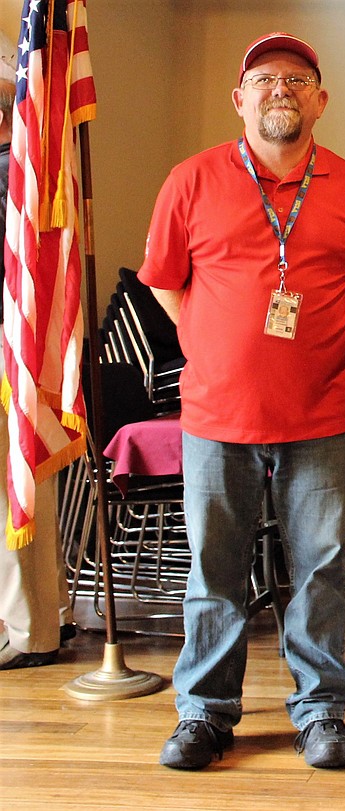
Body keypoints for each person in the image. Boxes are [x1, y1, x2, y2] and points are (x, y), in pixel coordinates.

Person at [139, 33, 345, 771]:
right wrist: (214, 340)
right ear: (239, 99)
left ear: (320, 100)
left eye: (298, 79)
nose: (281, 89)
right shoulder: (191, 178)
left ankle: (321, 711)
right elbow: (163, 278)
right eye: (265, 79)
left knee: (320, 567)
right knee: (214, 568)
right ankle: (205, 713)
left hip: (319, 411)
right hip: (217, 414)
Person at [0, 78, 78, 671]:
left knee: (15, 488)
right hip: (19, 349)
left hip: (14, 350)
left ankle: (27, 629)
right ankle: (39, 620)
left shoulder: (16, 175)